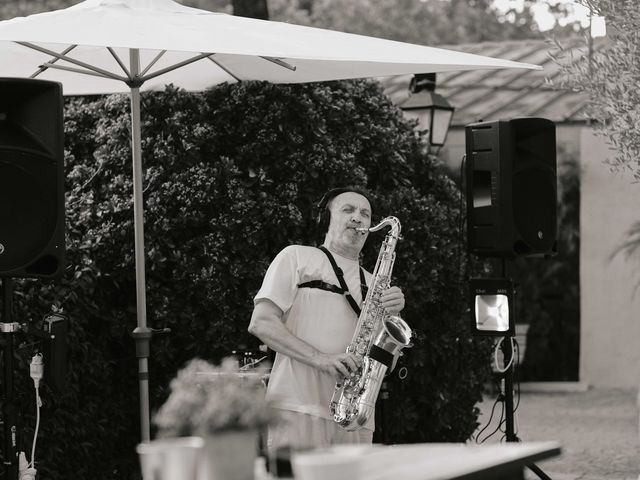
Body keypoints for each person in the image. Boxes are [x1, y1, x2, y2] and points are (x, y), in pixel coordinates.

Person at [248, 187, 405, 452]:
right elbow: (261, 323)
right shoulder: (296, 256)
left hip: (355, 417)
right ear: (327, 219)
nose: (358, 217)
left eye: (365, 214)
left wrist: (393, 314)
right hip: (297, 409)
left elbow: (386, 364)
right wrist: (321, 359)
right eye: (348, 210)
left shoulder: (376, 283)